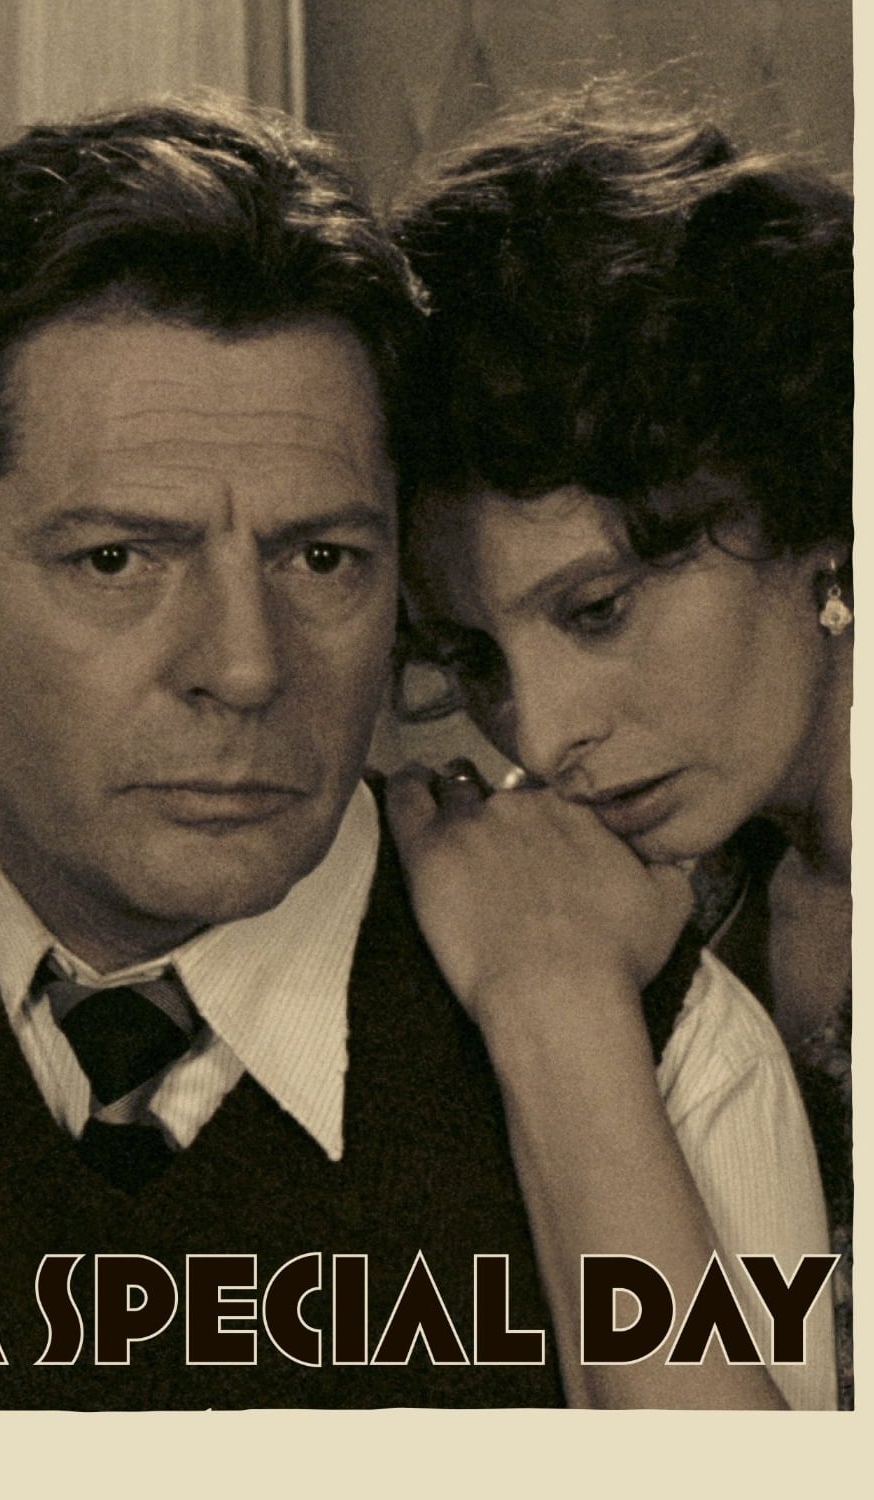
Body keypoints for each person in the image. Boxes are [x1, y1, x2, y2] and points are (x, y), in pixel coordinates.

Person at [0, 94, 835, 1413]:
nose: (247, 667)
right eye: (115, 559)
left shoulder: (662, 1032)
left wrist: (562, 1009)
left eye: (322, 557)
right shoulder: (654, 876)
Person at [388, 88, 852, 1408]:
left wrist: (557, 1005)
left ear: (811, 504)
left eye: (596, 610)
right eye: (475, 658)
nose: (543, 734)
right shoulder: (669, 870)